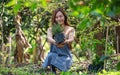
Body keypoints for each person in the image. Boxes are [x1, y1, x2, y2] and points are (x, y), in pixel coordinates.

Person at [42, 8, 75, 74]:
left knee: (66, 63)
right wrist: (55, 42)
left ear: (64, 17)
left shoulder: (70, 29)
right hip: (54, 54)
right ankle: (53, 66)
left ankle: (55, 65)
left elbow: (71, 39)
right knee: (51, 56)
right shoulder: (51, 29)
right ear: (54, 19)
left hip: (65, 56)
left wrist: (66, 41)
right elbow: (49, 38)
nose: (59, 19)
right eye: (56, 17)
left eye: (61, 16)